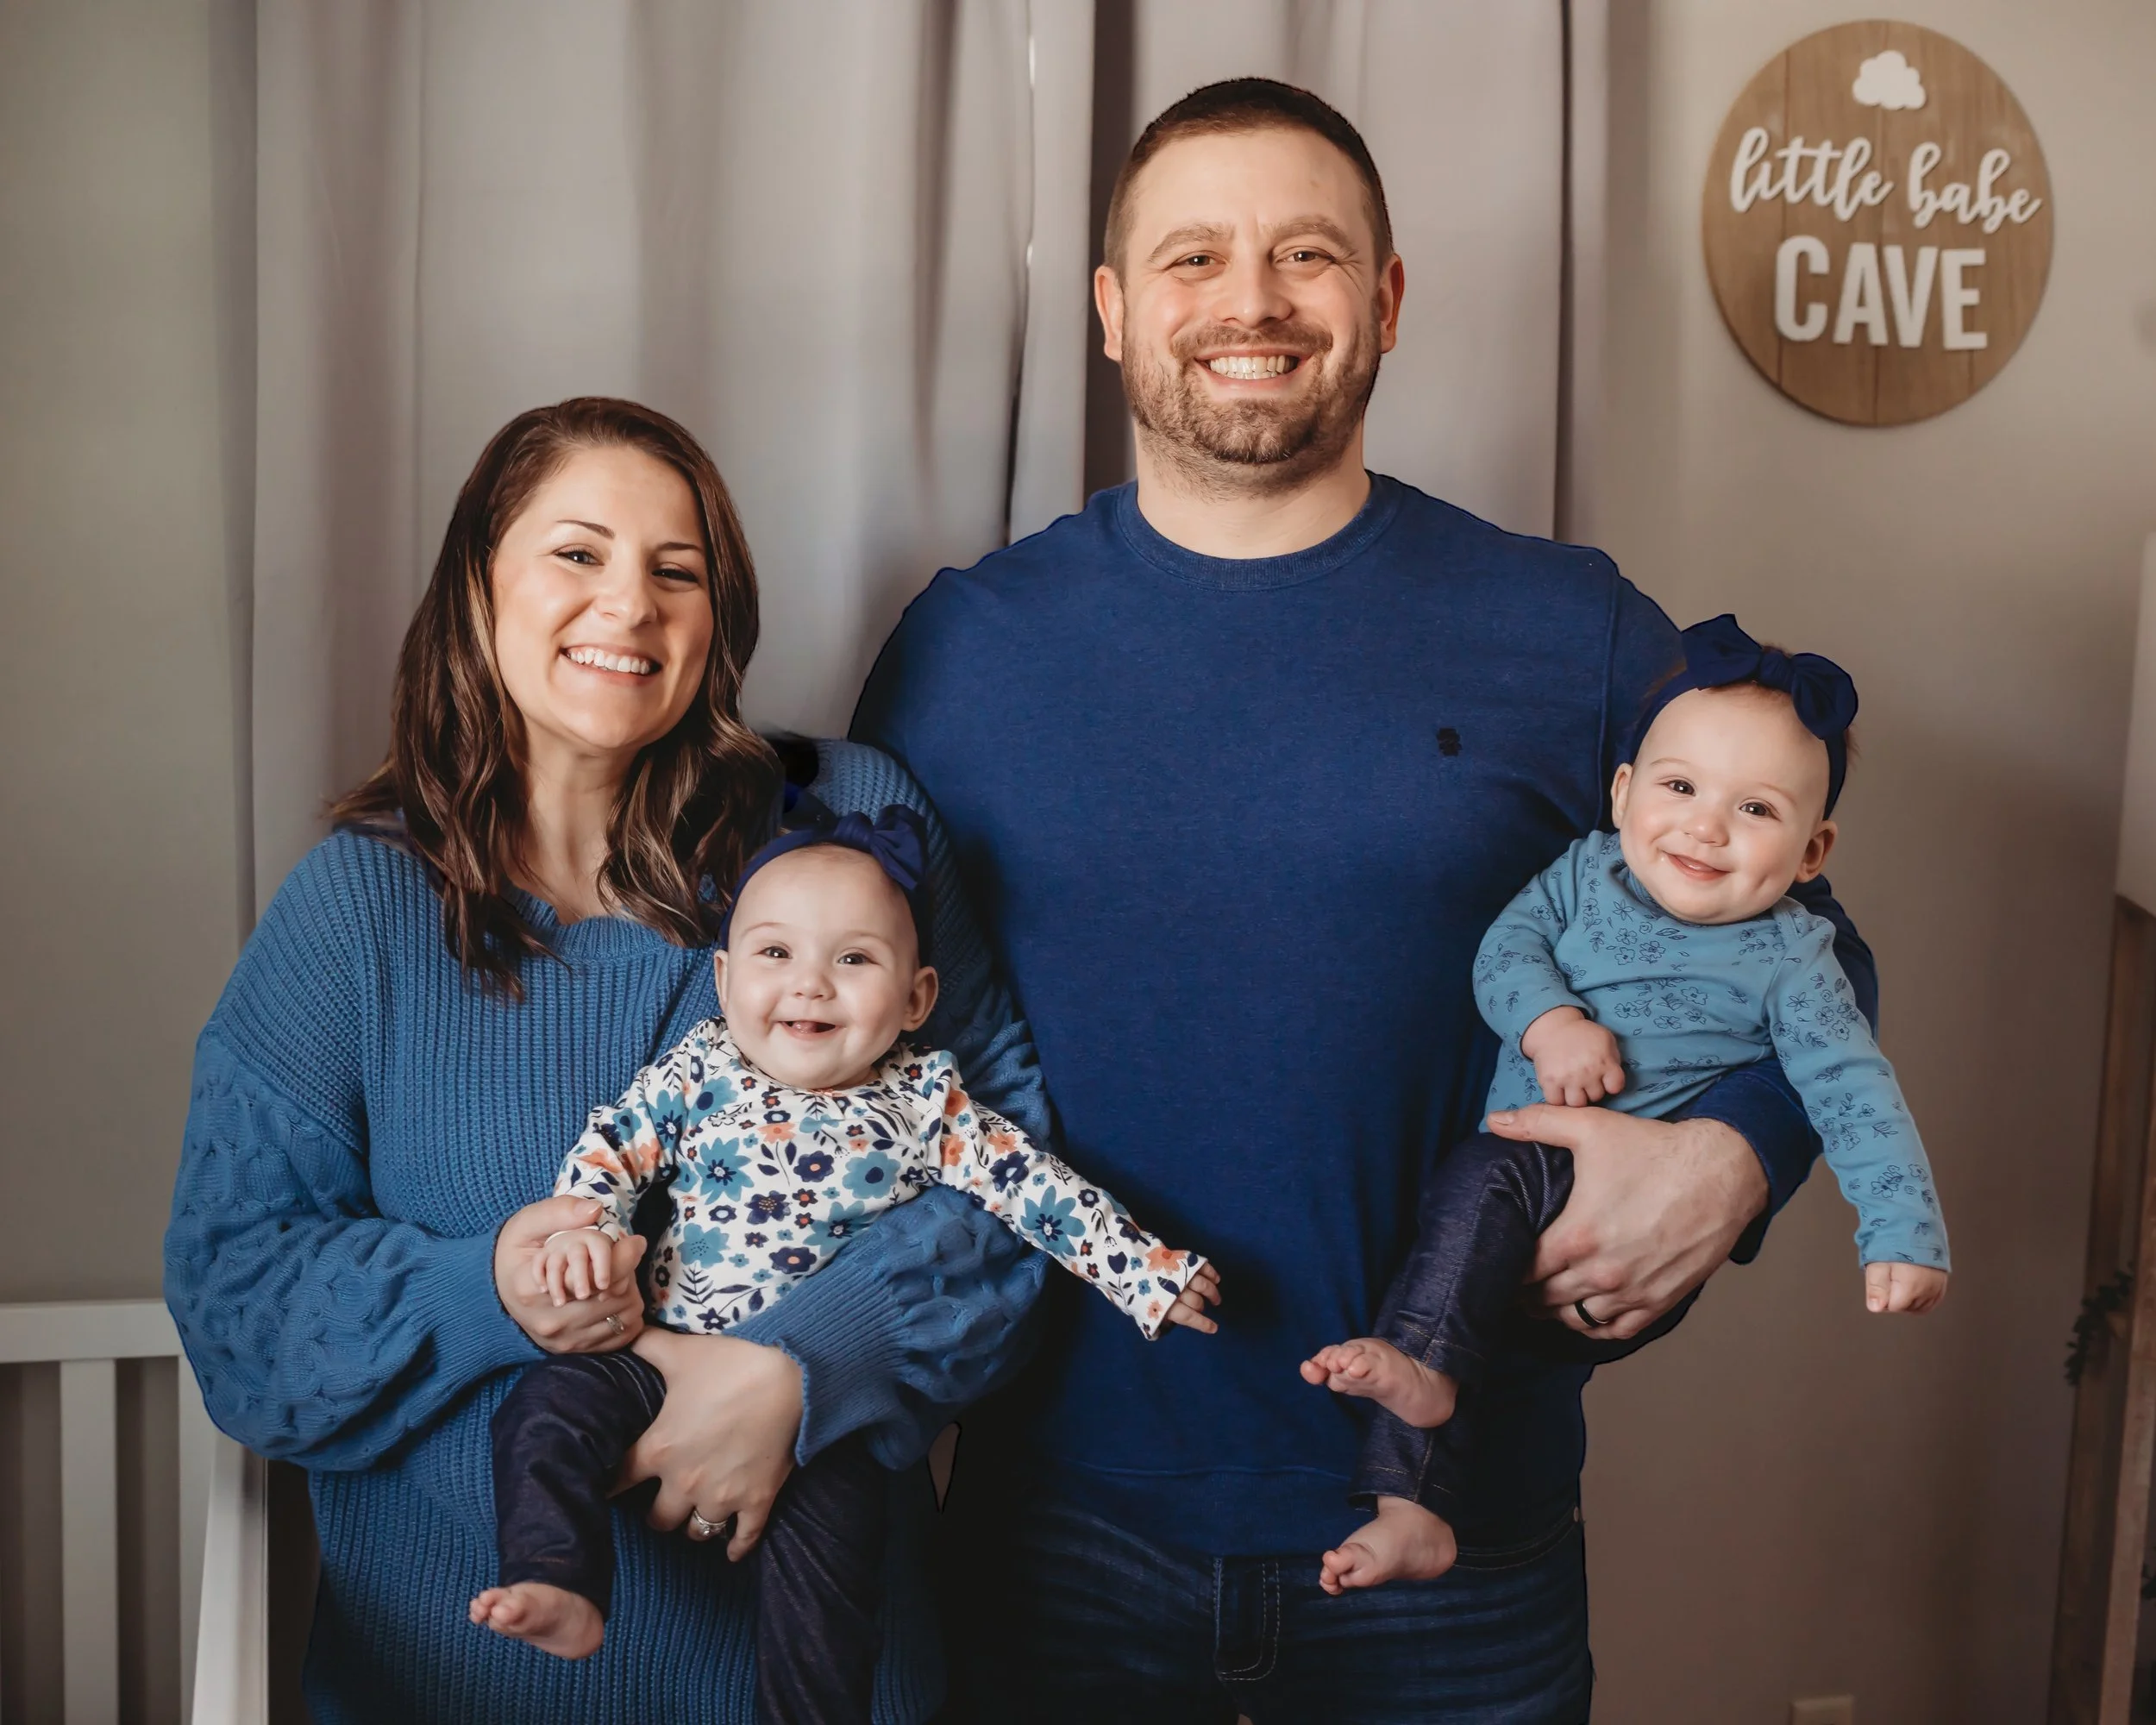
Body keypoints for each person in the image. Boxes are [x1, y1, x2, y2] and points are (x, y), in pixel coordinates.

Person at [852, 79, 1881, 1721]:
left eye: (1305, 255)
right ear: (1114, 316)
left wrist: (1734, 1157)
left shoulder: (1572, 633)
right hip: (1057, 1533)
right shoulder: (968, 649)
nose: (1249, 302)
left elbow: (1810, 943)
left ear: (1386, 299)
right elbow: (834, 1036)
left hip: (1459, 1543)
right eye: (1193, 259)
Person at [165, 398, 1051, 1725]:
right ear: (481, 588)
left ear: (716, 620)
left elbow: (1007, 1182)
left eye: (675, 571)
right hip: (449, 1686)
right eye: (577, 555)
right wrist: (491, 1292)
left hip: (816, 1684)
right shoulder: (356, 911)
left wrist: (801, 1366)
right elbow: (240, 1302)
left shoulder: (859, 828)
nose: (627, 605)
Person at [471, 801, 1215, 1718]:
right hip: (653, 1354)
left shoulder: (926, 1104)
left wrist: (1144, 1271)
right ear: (723, 976)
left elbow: (1036, 1190)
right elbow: (613, 1145)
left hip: (824, 1412)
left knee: (832, 1589)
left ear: (916, 998)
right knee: (542, 1412)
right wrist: (582, 1231)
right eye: (774, 953)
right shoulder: (700, 1067)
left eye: (853, 958)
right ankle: (557, 1575)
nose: (810, 985)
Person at [1302, 616, 1948, 1595]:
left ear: (1813, 851)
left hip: (1620, 1245)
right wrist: (1550, 1021)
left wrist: (1902, 1232)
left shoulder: (1793, 960)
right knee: (1456, 1308)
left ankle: (1423, 1387)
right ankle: (1410, 1512)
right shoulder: (1578, 876)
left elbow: (1853, 1088)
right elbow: (1504, 953)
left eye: (1756, 809)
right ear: (1621, 792)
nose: (1704, 826)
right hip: (1510, 1200)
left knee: (1469, 1255)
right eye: (1679, 786)